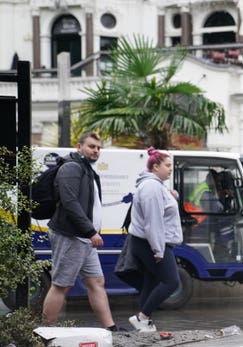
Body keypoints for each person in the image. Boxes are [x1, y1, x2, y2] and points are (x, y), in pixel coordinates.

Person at [42, 132, 122, 331]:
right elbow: (70, 203)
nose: (96, 151)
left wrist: (90, 232)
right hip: (71, 234)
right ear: (79, 147)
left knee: (97, 281)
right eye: (91, 146)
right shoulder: (71, 167)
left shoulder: (86, 169)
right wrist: (90, 231)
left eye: (98, 148)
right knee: (61, 284)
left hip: (83, 237)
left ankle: (110, 329)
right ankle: (44, 331)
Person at [127, 147, 183, 332]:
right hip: (152, 243)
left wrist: (172, 196)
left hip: (149, 242)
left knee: (151, 281)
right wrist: (158, 249)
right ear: (155, 166)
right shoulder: (151, 187)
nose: (170, 169)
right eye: (167, 165)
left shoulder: (156, 185)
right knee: (171, 282)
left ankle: (144, 323)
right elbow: (154, 221)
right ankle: (142, 318)